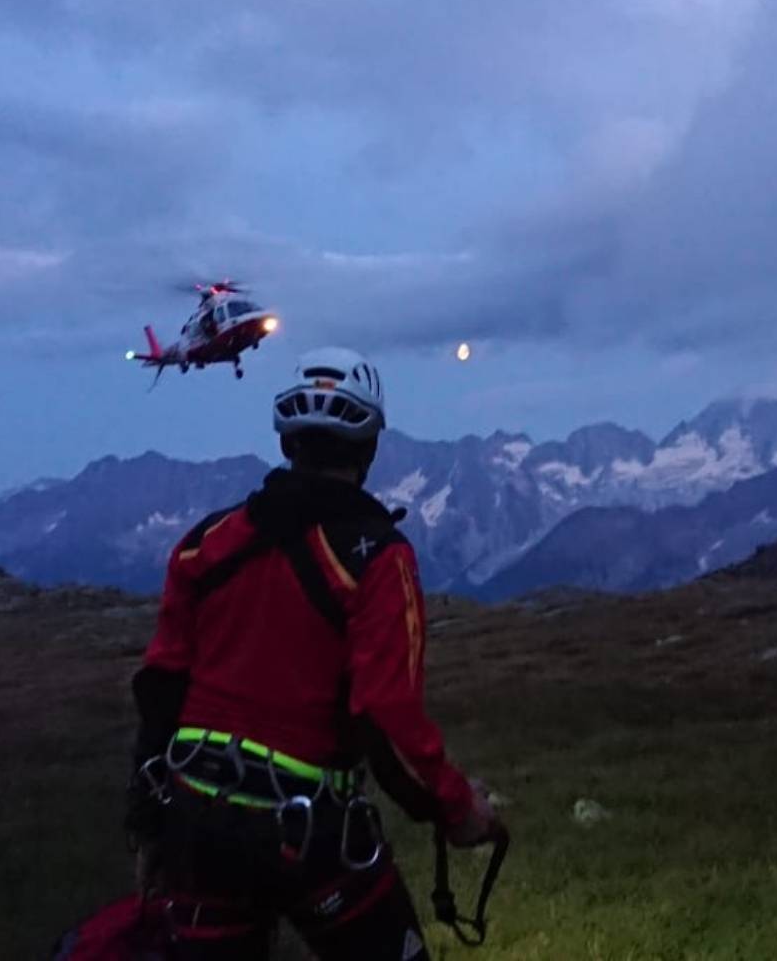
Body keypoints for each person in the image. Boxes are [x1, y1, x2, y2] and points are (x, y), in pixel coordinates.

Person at [126, 346, 501, 960]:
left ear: (286, 443)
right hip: (312, 836)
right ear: (370, 447)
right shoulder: (378, 559)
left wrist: (148, 824)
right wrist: (458, 809)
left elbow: (161, 687)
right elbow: (385, 717)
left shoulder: (204, 544)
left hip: (196, 826)